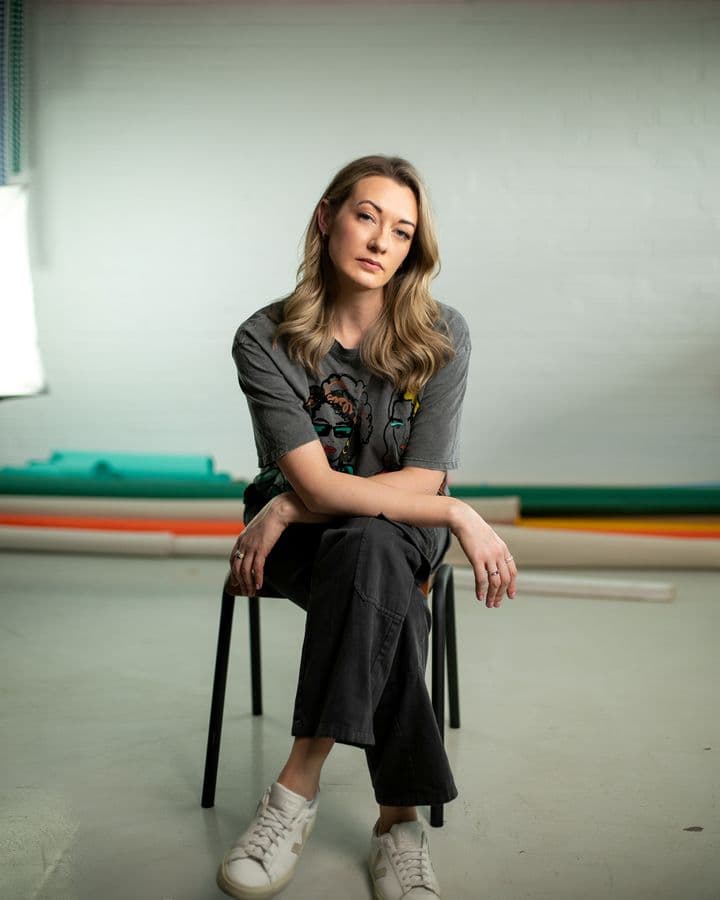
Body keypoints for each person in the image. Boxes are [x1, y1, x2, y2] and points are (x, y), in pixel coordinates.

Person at [217, 154, 517, 900]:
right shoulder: (264, 338)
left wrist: (292, 502)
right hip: (301, 542)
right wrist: (455, 509)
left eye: (402, 230)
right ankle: (399, 822)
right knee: (376, 565)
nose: (382, 240)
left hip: (360, 523)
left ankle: (294, 789)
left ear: (413, 248)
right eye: (367, 216)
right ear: (328, 218)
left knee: (374, 546)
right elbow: (345, 484)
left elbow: (415, 478)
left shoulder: (440, 335)